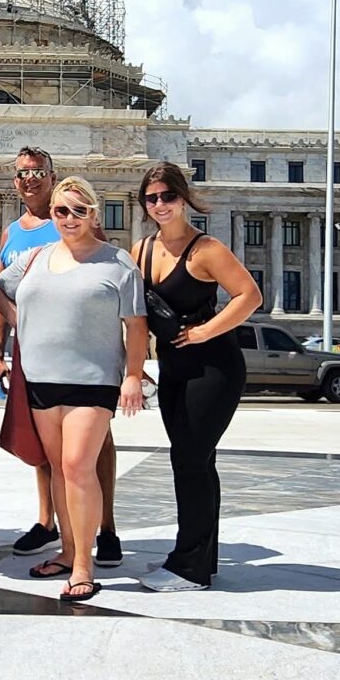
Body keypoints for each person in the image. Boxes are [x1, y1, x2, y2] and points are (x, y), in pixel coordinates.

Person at [0, 176, 147, 602]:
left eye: (80, 210)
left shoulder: (118, 263)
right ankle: (66, 551)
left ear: (94, 214)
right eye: (62, 211)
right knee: (59, 467)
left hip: (94, 379)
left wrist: (133, 375)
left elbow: (136, 325)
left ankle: (84, 564)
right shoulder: (36, 257)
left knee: (79, 465)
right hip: (41, 377)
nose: (70, 218)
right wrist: (20, 321)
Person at [129, 162, 261, 592]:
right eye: (152, 198)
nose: (161, 204)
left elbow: (250, 295)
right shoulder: (141, 251)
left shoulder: (206, 249)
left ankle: (189, 567)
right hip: (173, 369)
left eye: (168, 196)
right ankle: (204, 558)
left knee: (189, 460)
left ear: (184, 198)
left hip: (214, 368)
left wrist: (206, 329)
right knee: (196, 461)